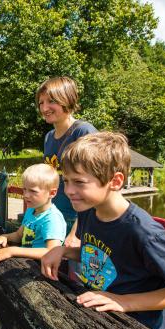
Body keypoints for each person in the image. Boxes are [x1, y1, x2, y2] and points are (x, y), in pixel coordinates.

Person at [40, 132, 165, 329]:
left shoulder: (144, 232)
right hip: (103, 321)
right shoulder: (87, 211)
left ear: (115, 181)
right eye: (66, 181)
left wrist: (126, 302)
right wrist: (64, 251)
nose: (69, 190)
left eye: (79, 182)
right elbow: (99, 254)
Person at [38, 76, 97, 241]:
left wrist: (75, 233)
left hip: (79, 223)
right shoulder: (49, 137)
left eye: (51, 101)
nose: (44, 108)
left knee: (74, 268)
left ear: (67, 100)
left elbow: (96, 185)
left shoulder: (84, 132)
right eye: (41, 102)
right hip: (54, 220)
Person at [0, 163, 66, 266]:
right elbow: (19, 235)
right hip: (26, 265)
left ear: (52, 193)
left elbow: (52, 251)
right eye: (24, 189)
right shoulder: (31, 210)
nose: (26, 195)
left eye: (33, 191)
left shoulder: (52, 219)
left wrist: (12, 251)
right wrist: (5, 237)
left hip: (41, 271)